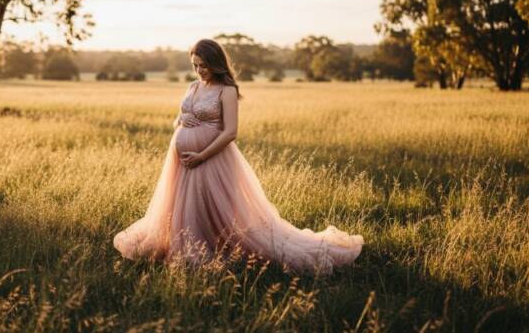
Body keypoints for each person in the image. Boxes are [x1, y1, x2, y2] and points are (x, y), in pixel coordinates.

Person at [113, 39, 363, 274]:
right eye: (195, 65)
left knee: (211, 208)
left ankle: (213, 248)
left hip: (212, 159)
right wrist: (180, 120)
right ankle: (187, 246)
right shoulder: (192, 86)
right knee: (184, 208)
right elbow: (177, 120)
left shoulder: (227, 90)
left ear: (216, 63)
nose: (200, 70)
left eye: (204, 65)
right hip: (182, 162)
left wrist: (201, 155)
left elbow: (230, 132)